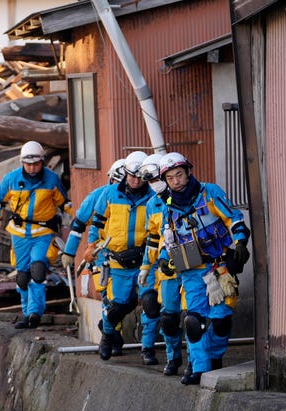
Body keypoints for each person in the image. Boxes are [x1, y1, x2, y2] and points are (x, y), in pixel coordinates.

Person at [157, 152, 251, 385]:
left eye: (179, 175)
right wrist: (163, 259)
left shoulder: (209, 192)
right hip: (191, 270)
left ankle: (214, 357)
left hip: (219, 267)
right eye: (170, 178)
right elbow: (166, 238)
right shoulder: (167, 207)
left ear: (188, 172)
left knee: (220, 320)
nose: (176, 181)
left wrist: (240, 241)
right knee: (193, 320)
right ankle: (199, 368)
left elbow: (234, 218)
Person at [0, 141, 70, 329]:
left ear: (42, 162)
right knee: (22, 276)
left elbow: (65, 203)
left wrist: (81, 216)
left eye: (36, 164)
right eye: (28, 164)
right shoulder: (10, 179)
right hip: (19, 233)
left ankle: (35, 314)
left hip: (43, 232)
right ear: (22, 162)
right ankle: (26, 312)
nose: (32, 168)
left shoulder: (52, 180)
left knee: (38, 269)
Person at [88, 150, 153, 362]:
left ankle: (148, 349)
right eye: (131, 176)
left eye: (139, 176)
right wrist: (91, 247)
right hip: (117, 261)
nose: (135, 181)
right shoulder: (109, 194)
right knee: (117, 305)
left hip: (145, 260)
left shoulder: (154, 197)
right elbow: (96, 223)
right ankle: (107, 334)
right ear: (125, 174)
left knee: (152, 303)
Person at [61, 159, 126, 355]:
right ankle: (112, 335)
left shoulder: (141, 198)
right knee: (110, 298)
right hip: (102, 257)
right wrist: (69, 252)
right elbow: (78, 225)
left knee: (126, 298)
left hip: (131, 257)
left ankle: (110, 329)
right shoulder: (97, 197)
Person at [137, 153, 186, 373]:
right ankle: (173, 357)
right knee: (168, 317)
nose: (155, 185)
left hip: (194, 262)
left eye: (157, 179)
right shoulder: (151, 204)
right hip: (166, 266)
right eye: (151, 181)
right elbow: (153, 238)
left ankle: (198, 361)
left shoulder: (189, 196)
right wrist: (146, 266)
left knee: (195, 317)